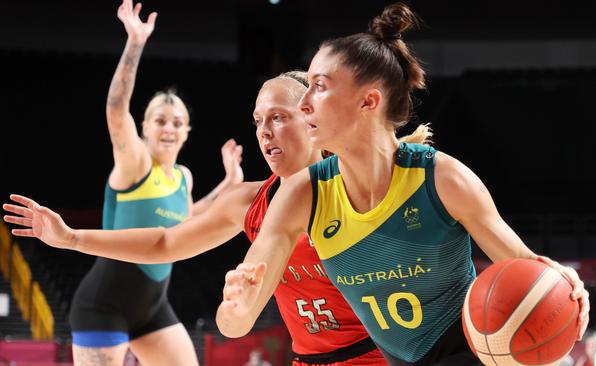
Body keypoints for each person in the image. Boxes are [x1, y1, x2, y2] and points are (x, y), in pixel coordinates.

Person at [210, 3, 591, 366]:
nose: (305, 103)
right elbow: (236, 324)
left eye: (319, 86)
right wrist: (235, 305)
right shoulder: (302, 194)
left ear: (369, 101)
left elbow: (527, 270)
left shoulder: (442, 179)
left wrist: (564, 289)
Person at [3, 71, 404, 365]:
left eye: (278, 117)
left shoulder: (359, 189)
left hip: (379, 357)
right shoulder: (248, 202)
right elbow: (166, 242)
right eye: (258, 121)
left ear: (313, 119)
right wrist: (72, 238)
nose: (264, 132)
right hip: (307, 361)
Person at [14, 1, 242, 364]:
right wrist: (135, 43)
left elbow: (184, 220)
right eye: (160, 120)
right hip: (103, 306)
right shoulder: (136, 164)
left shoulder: (183, 176)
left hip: (152, 310)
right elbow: (116, 110)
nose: (169, 128)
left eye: (177, 122)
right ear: (145, 127)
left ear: (187, 132)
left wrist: (228, 183)